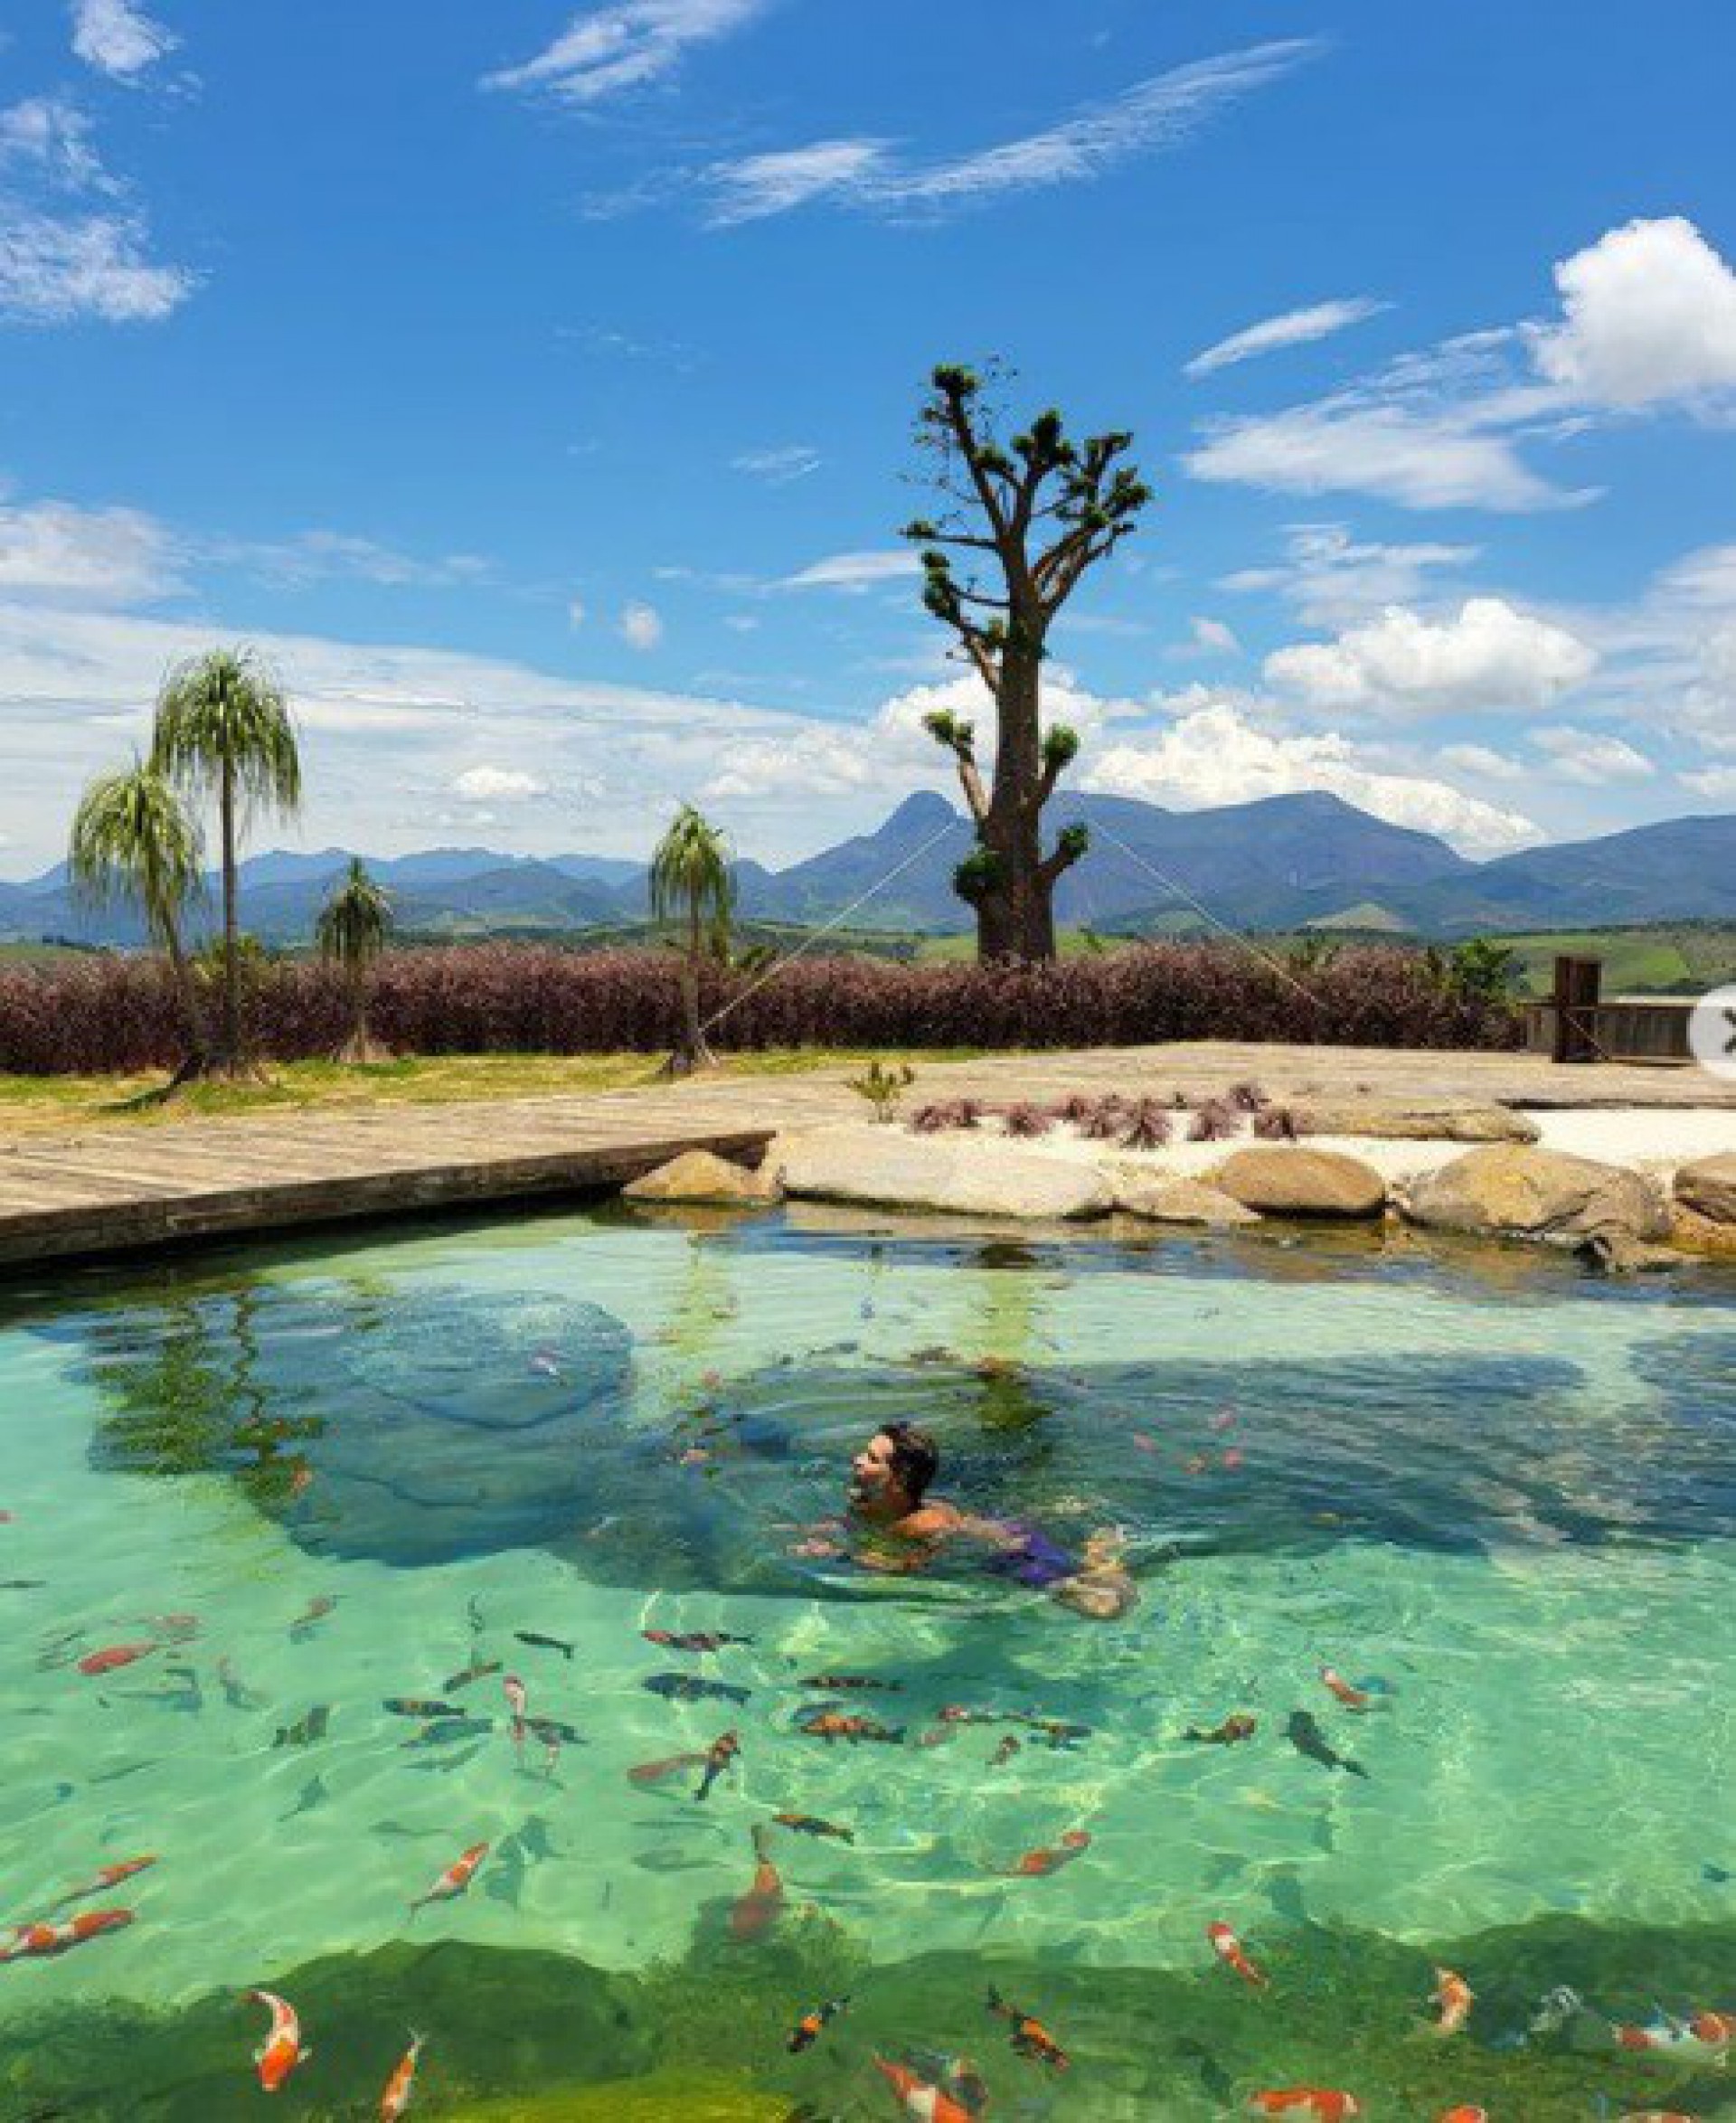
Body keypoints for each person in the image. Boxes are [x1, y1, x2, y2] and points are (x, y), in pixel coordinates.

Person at [795, 1421, 1137, 1620]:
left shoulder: (925, 1524)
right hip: (989, 1534)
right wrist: (810, 1533)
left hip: (1010, 1554)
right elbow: (852, 1524)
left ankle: (1103, 1558)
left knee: (1106, 1606)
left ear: (897, 1478)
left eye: (870, 1459)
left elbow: (909, 1565)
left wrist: (842, 1556)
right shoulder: (864, 1501)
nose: (856, 1461)